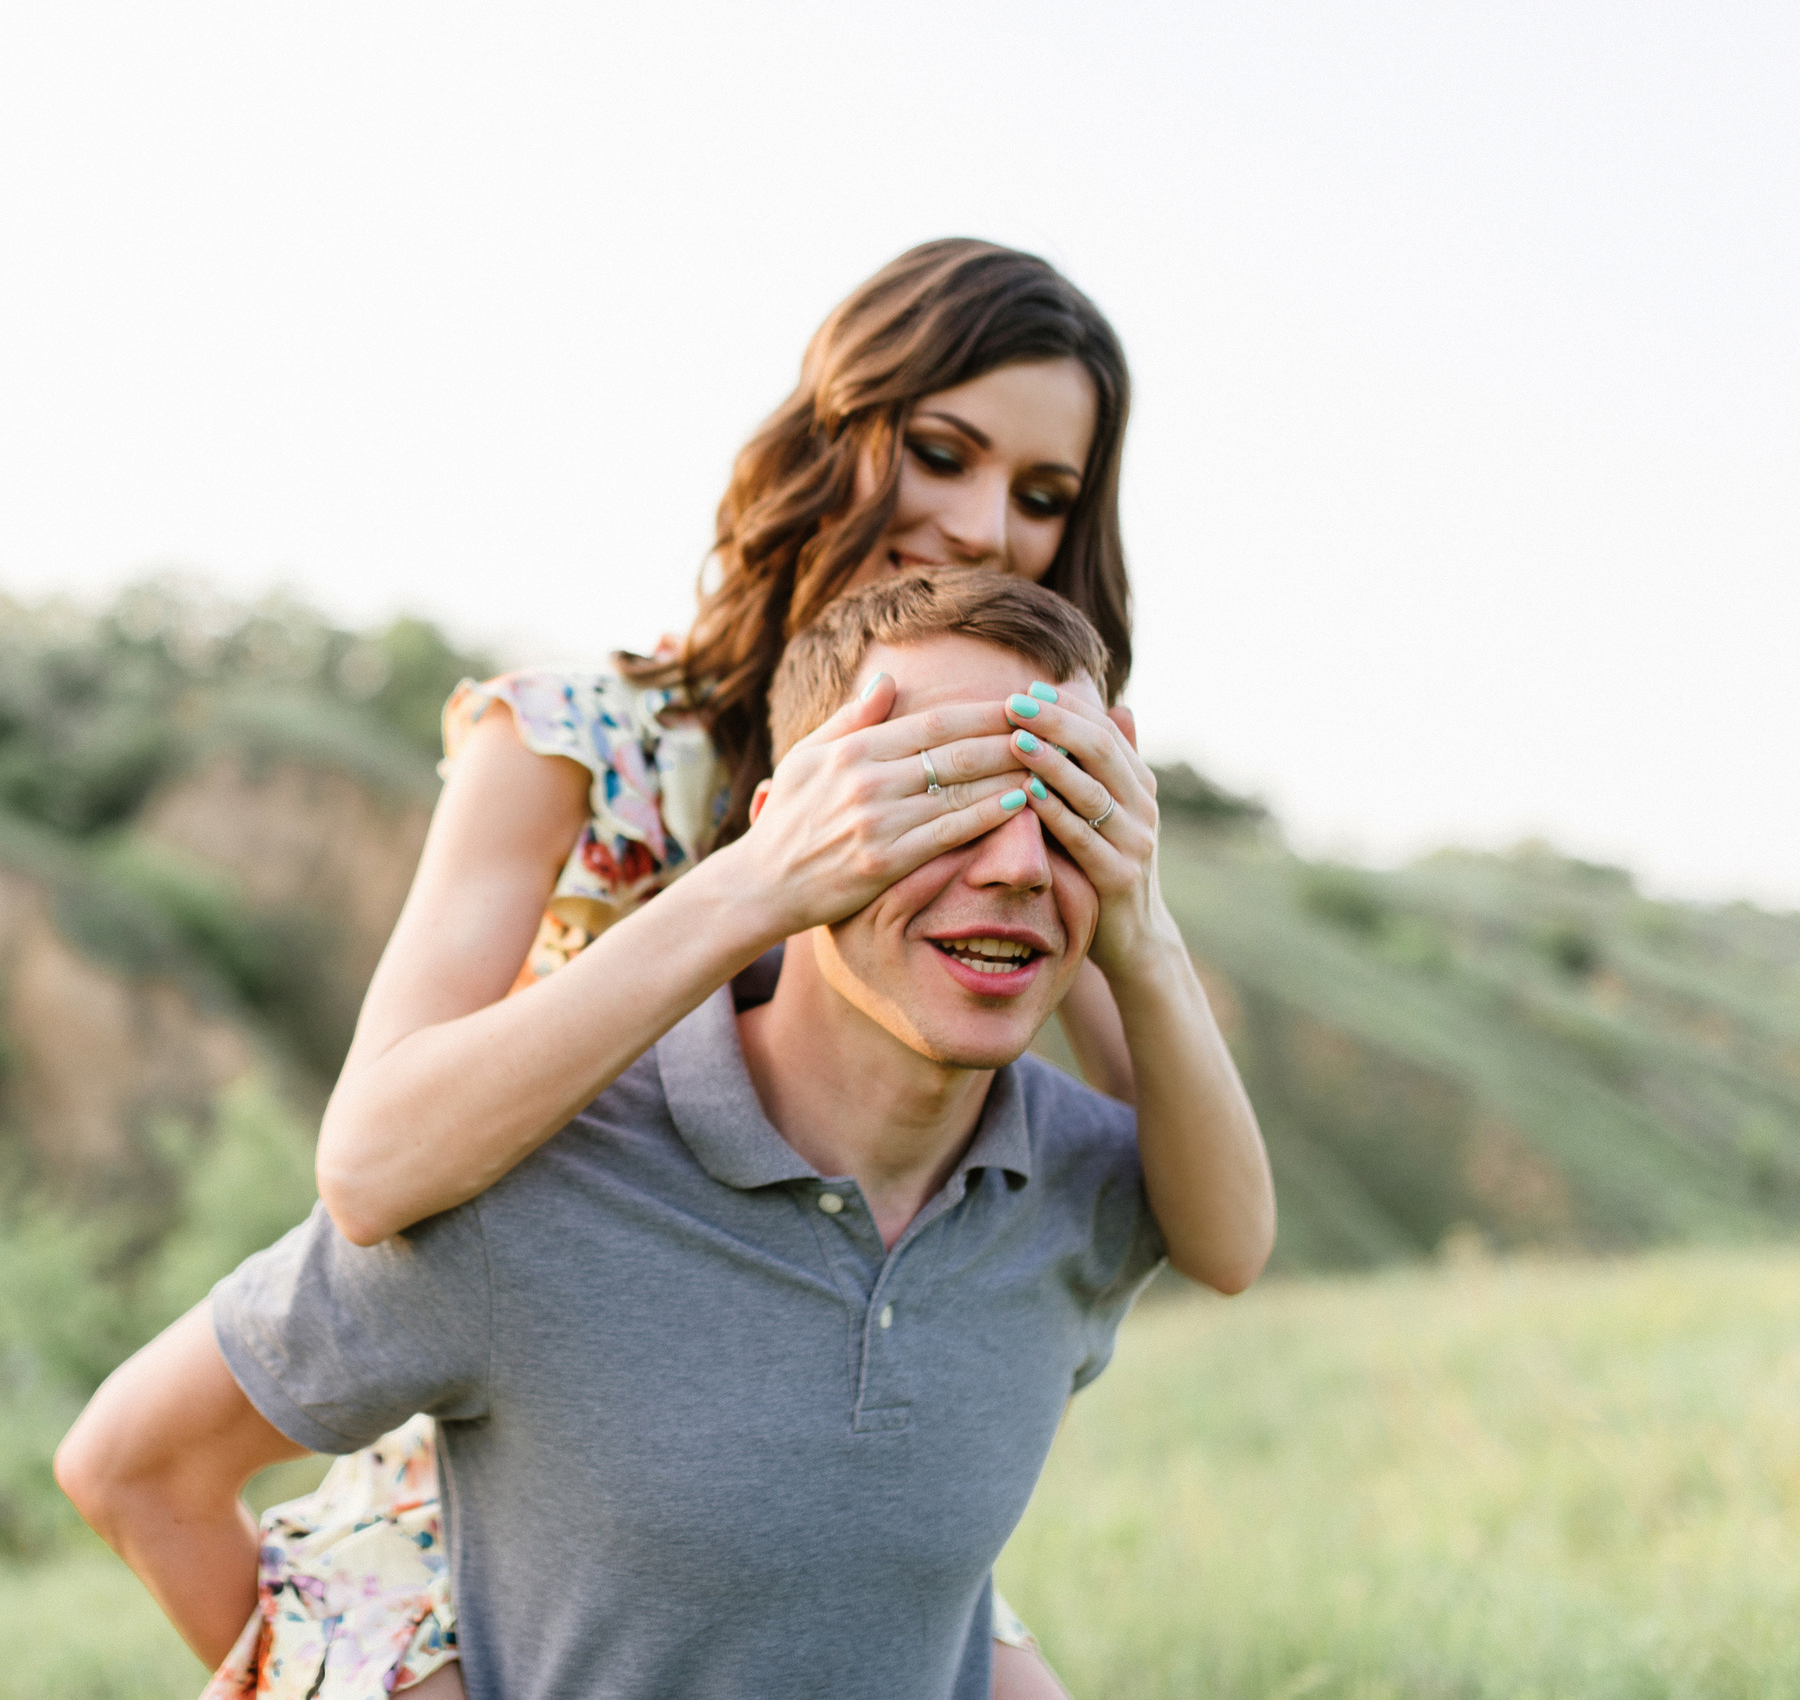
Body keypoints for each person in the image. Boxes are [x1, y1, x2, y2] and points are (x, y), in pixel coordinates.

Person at [127, 237, 1270, 1699]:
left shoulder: (1004, 764)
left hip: (805, 1427)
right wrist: (766, 880)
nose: (987, 524)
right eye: (942, 451)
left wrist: (1129, 905)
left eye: (1044, 495)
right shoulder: (574, 743)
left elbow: (1218, 1227)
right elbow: (370, 1165)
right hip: (521, 1448)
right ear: (837, 437)